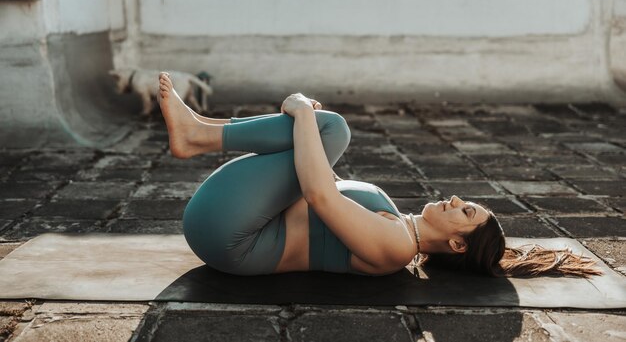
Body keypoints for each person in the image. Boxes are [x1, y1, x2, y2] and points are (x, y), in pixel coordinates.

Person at [156, 72, 602, 278]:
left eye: (464, 211)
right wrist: (305, 128)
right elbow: (319, 183)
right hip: (231, 223)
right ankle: (199, 133)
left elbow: (318, 194)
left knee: (330, 127)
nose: (454, 199)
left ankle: (199, 135)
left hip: (231, 237)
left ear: (457, 244)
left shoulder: (394, 248)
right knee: (321, 130)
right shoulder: (396, 222)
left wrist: (297, 109)